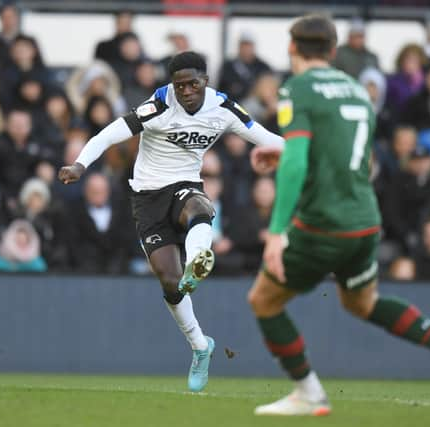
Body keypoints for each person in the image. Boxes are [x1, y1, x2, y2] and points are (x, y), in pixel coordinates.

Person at [247, 14, 430, 417]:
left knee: (264, 301)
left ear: (292, 49)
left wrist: (277, 230)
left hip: (323, 224)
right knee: (362, 303)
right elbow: (345, 156)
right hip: (365, 221)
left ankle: (308, 392)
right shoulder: (357, 91)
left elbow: (299, 163)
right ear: (334, 52)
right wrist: (286, 150)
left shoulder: (297, 88)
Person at [58, 51, 284, 392]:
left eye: (193, 83)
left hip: (185, 184)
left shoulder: (223, 109)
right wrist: (79, 165)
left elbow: (266, 138)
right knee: (170, 282)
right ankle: (200, 346)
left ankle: (197, 259)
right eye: (180, 85)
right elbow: (109, 134)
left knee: (199, 209)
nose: (187, 91)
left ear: (206, 81)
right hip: (147, 197)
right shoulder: (159, 106)